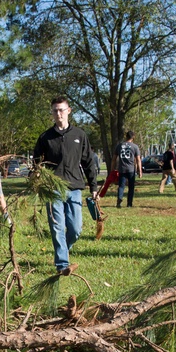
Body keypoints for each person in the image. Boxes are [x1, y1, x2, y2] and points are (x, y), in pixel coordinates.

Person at [33, 96, 99, 276]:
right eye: (55, 110)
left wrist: (93, 186)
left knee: (76, 229)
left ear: (69, 111)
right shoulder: (45, 137)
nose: (58, 113)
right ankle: (62, 264)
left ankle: (63, 249)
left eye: (62, 110)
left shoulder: (79, 135)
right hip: (53, 188)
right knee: (57, 227)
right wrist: (37, 176)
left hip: (75, 188)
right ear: (52, 113)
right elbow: (36, 163)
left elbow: (88, 162)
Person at [113, 131, 141, 208]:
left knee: (121, 186)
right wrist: (140, 171)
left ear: (126, 136)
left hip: (122, 169)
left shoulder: (120, 145)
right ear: (133, 137)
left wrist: (113, 169)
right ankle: (129, 203)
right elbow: (138, 160)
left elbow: (114, 158)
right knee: (131, 187)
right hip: (131, 169)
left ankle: (119, 198)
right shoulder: (135, 146)